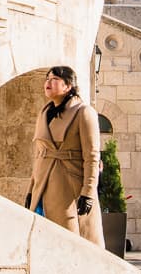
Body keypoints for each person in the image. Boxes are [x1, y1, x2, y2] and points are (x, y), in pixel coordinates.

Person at [25, 65, 104, 246]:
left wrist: (89, 192)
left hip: (69, 188)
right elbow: (39, 156)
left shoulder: (84, 112)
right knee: (41, 242)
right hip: (42, 189)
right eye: (47, 78)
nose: (48, 82)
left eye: (54, 79)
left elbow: (92, 156)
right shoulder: (44, 113)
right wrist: (31, 190)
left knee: (71, 244)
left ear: (68, 86)